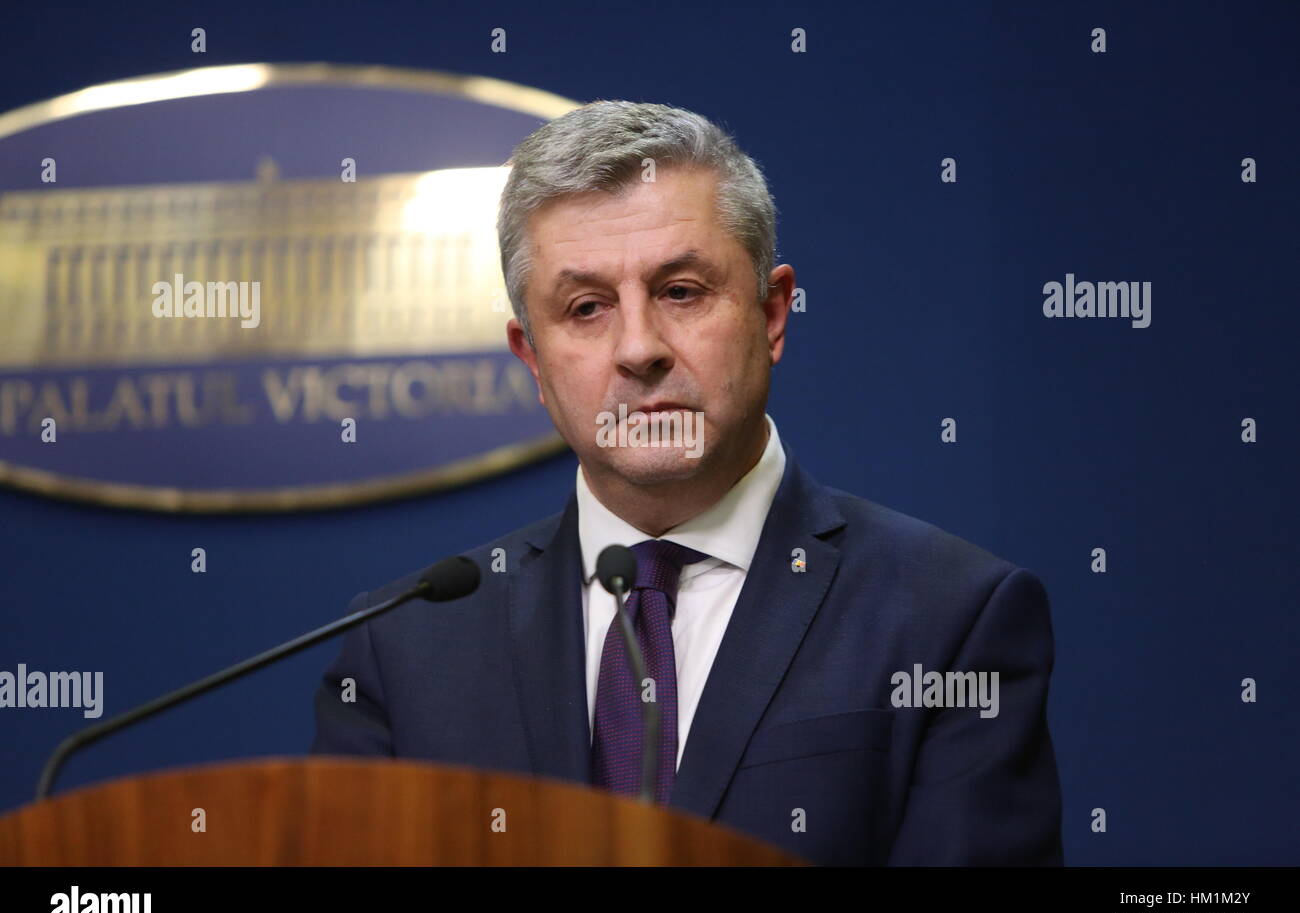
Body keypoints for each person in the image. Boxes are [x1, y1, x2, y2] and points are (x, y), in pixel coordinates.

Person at [311, 100, 1064, 865]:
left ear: (772, 315)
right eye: (586, 308)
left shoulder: (947, 620)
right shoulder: (405, 647)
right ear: (532, 359)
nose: (639, 349)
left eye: (680, 291)